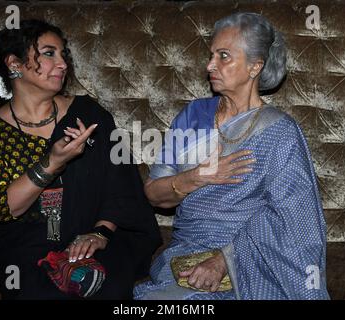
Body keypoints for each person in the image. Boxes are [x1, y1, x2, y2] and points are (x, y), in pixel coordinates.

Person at [134, 12, 329, 300]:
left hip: (257, 258)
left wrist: (225, 259)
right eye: (211, 55)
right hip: (188, 251)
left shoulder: (280, 132)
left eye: (224, 56)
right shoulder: (193, 116)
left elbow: (294, 217)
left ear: (255, 67)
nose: (210, 65)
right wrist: (198, 176)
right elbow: (153, 193)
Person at [0, 19, 161, 300]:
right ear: (14, 64)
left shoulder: (90, 114)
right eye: (49, 53)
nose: (62, 64)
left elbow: (121, 188)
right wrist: (52, 163)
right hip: (25, 245)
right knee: (40, 291)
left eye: (62, 54)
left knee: (104, 284)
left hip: (94, 237)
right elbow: (3, 207)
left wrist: (100, 233)